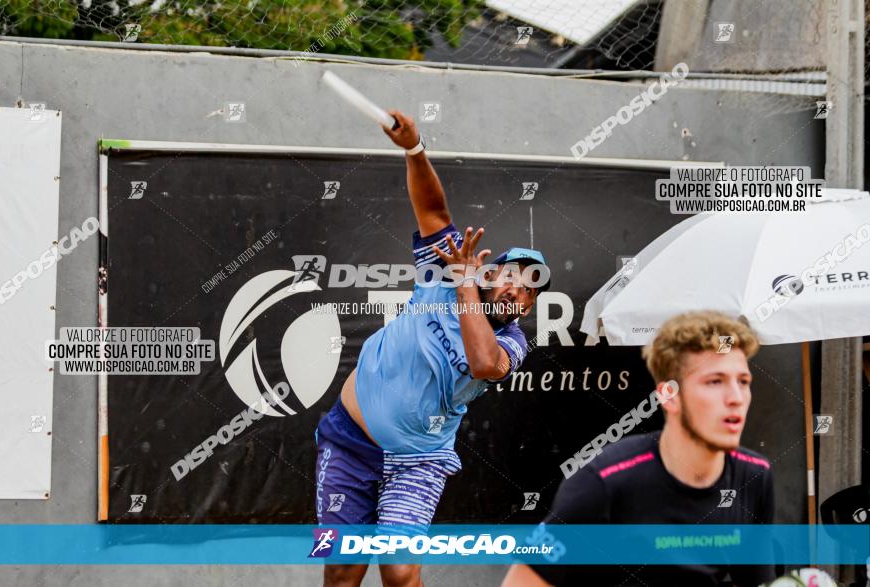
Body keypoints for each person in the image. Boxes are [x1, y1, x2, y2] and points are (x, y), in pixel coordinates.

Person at [315, 109, 551, 587]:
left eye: (531, 290)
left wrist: (466, 287)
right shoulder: (442, 274)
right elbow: (434, 212)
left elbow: (485, 365)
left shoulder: (512, 341)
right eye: (514, 277)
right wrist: (414, 149)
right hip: (348, 442)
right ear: (491, 273)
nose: (519, 292)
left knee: (400, 573)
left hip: (418, 461)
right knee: (342, 570)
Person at [503, 310, 775, 586]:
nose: (736, 398)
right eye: (715, 381)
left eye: (743, 382)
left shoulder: (754, 476)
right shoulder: (603, 482)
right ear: (669, 396)